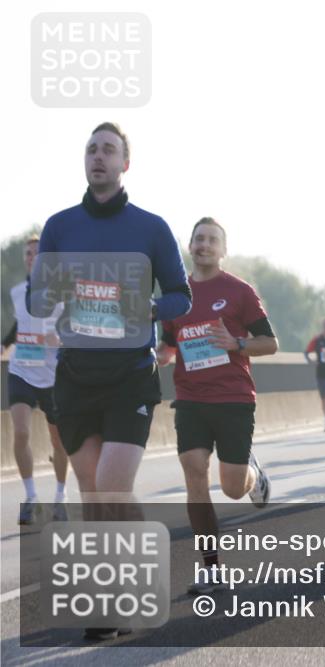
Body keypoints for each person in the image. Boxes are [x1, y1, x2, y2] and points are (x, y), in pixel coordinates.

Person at [27, 122, 192, 642]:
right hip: (76, 375)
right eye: (91, 149)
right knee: (94, 496)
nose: (98, 156)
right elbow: (37, 301)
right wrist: (56, 292)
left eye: (108, 150)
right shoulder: (59, 226)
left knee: (112, 485)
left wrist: (148, 305)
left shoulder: (151, 227)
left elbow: (181, 297)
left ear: (125, 163)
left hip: (130, 375)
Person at [155, 217, 277, 594]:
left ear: (223, 250)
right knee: (194, 473)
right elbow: (169, 344)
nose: (204, 245)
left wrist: (236, 344)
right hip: (190, 398)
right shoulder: (176, 296)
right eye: (199, 239)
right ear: (189, 246)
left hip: (233, 398)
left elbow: (269, 343)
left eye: (212, 240)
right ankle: (211, 568)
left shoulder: (239, 291)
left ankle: (253, 475)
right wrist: (159, 355)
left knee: (233, 488)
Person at [3, 237, 69, 524]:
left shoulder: (62, 294)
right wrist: (4, 344)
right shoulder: (18, 291)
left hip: (52, 376)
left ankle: (60, 496)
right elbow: (21, 324)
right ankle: (30, 498)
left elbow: (74, 328)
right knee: (20, 432)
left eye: (37, 253)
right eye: (27, 253)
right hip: (22, 371)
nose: (31, 257)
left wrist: (61, 338)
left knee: (59, 442)